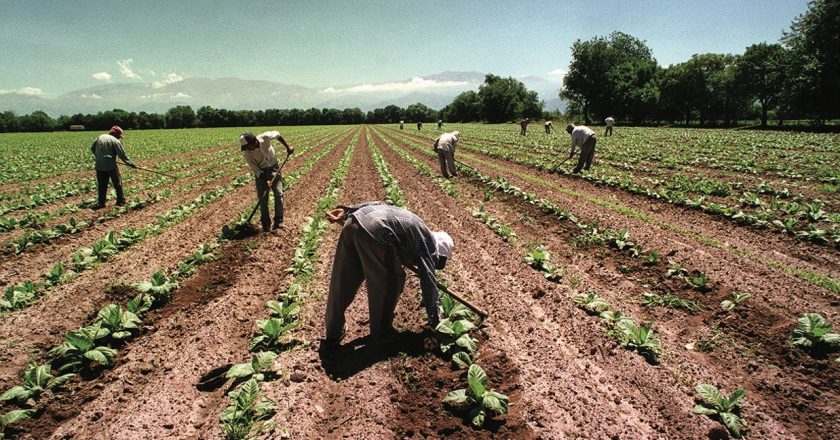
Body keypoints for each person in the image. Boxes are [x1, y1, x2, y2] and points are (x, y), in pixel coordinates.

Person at [323, 202, 454, 344]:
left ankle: (334, 331)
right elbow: (428, 280)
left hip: (352, 223)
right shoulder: (427, 242)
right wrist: (436, 321)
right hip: (376, 231)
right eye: (438, 261)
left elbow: (380, 204)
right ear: (439, 251)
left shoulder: (414, 226)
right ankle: (382, 332)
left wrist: (347, 210)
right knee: (392, 281)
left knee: (343, 279)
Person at [240, 130, 294, 232]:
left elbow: (278, 135)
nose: (248, 149)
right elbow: (255, 169)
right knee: (263, 199)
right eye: (246, 148)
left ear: (254, 141)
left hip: (274, 167)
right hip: (261, 172)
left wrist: (287, 147)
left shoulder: (264, 137)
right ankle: (266, 224)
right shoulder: (246, 152)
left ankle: (278, 222)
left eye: (249, 147)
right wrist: (266, 180)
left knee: (279, 194)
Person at [91, 125, 136, 209]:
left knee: (102, 185)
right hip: (110, 165)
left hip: (99, 165)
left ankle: (101, 203)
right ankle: (120, 201)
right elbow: (122, 155)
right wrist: (131, 163)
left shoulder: (99, 137)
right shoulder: (115, 141)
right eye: (119, 136)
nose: (119, 138)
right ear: (116, 135)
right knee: (117, 183)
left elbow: (92, 148)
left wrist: (99, 157)